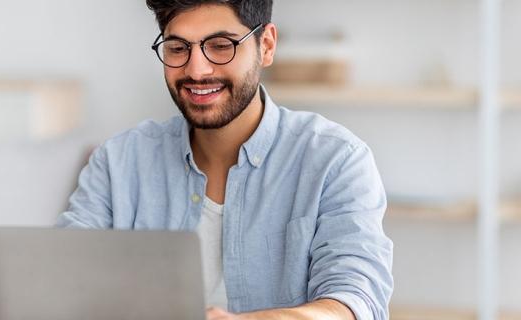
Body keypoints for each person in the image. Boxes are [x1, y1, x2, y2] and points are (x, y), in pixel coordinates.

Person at [56, 1, 393, 319]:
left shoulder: (336, 159)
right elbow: (63, 280)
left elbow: (354, 303)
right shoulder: (117, 162)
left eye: (221, 45)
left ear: (267, 46)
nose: (197, 70)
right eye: (177, 48)